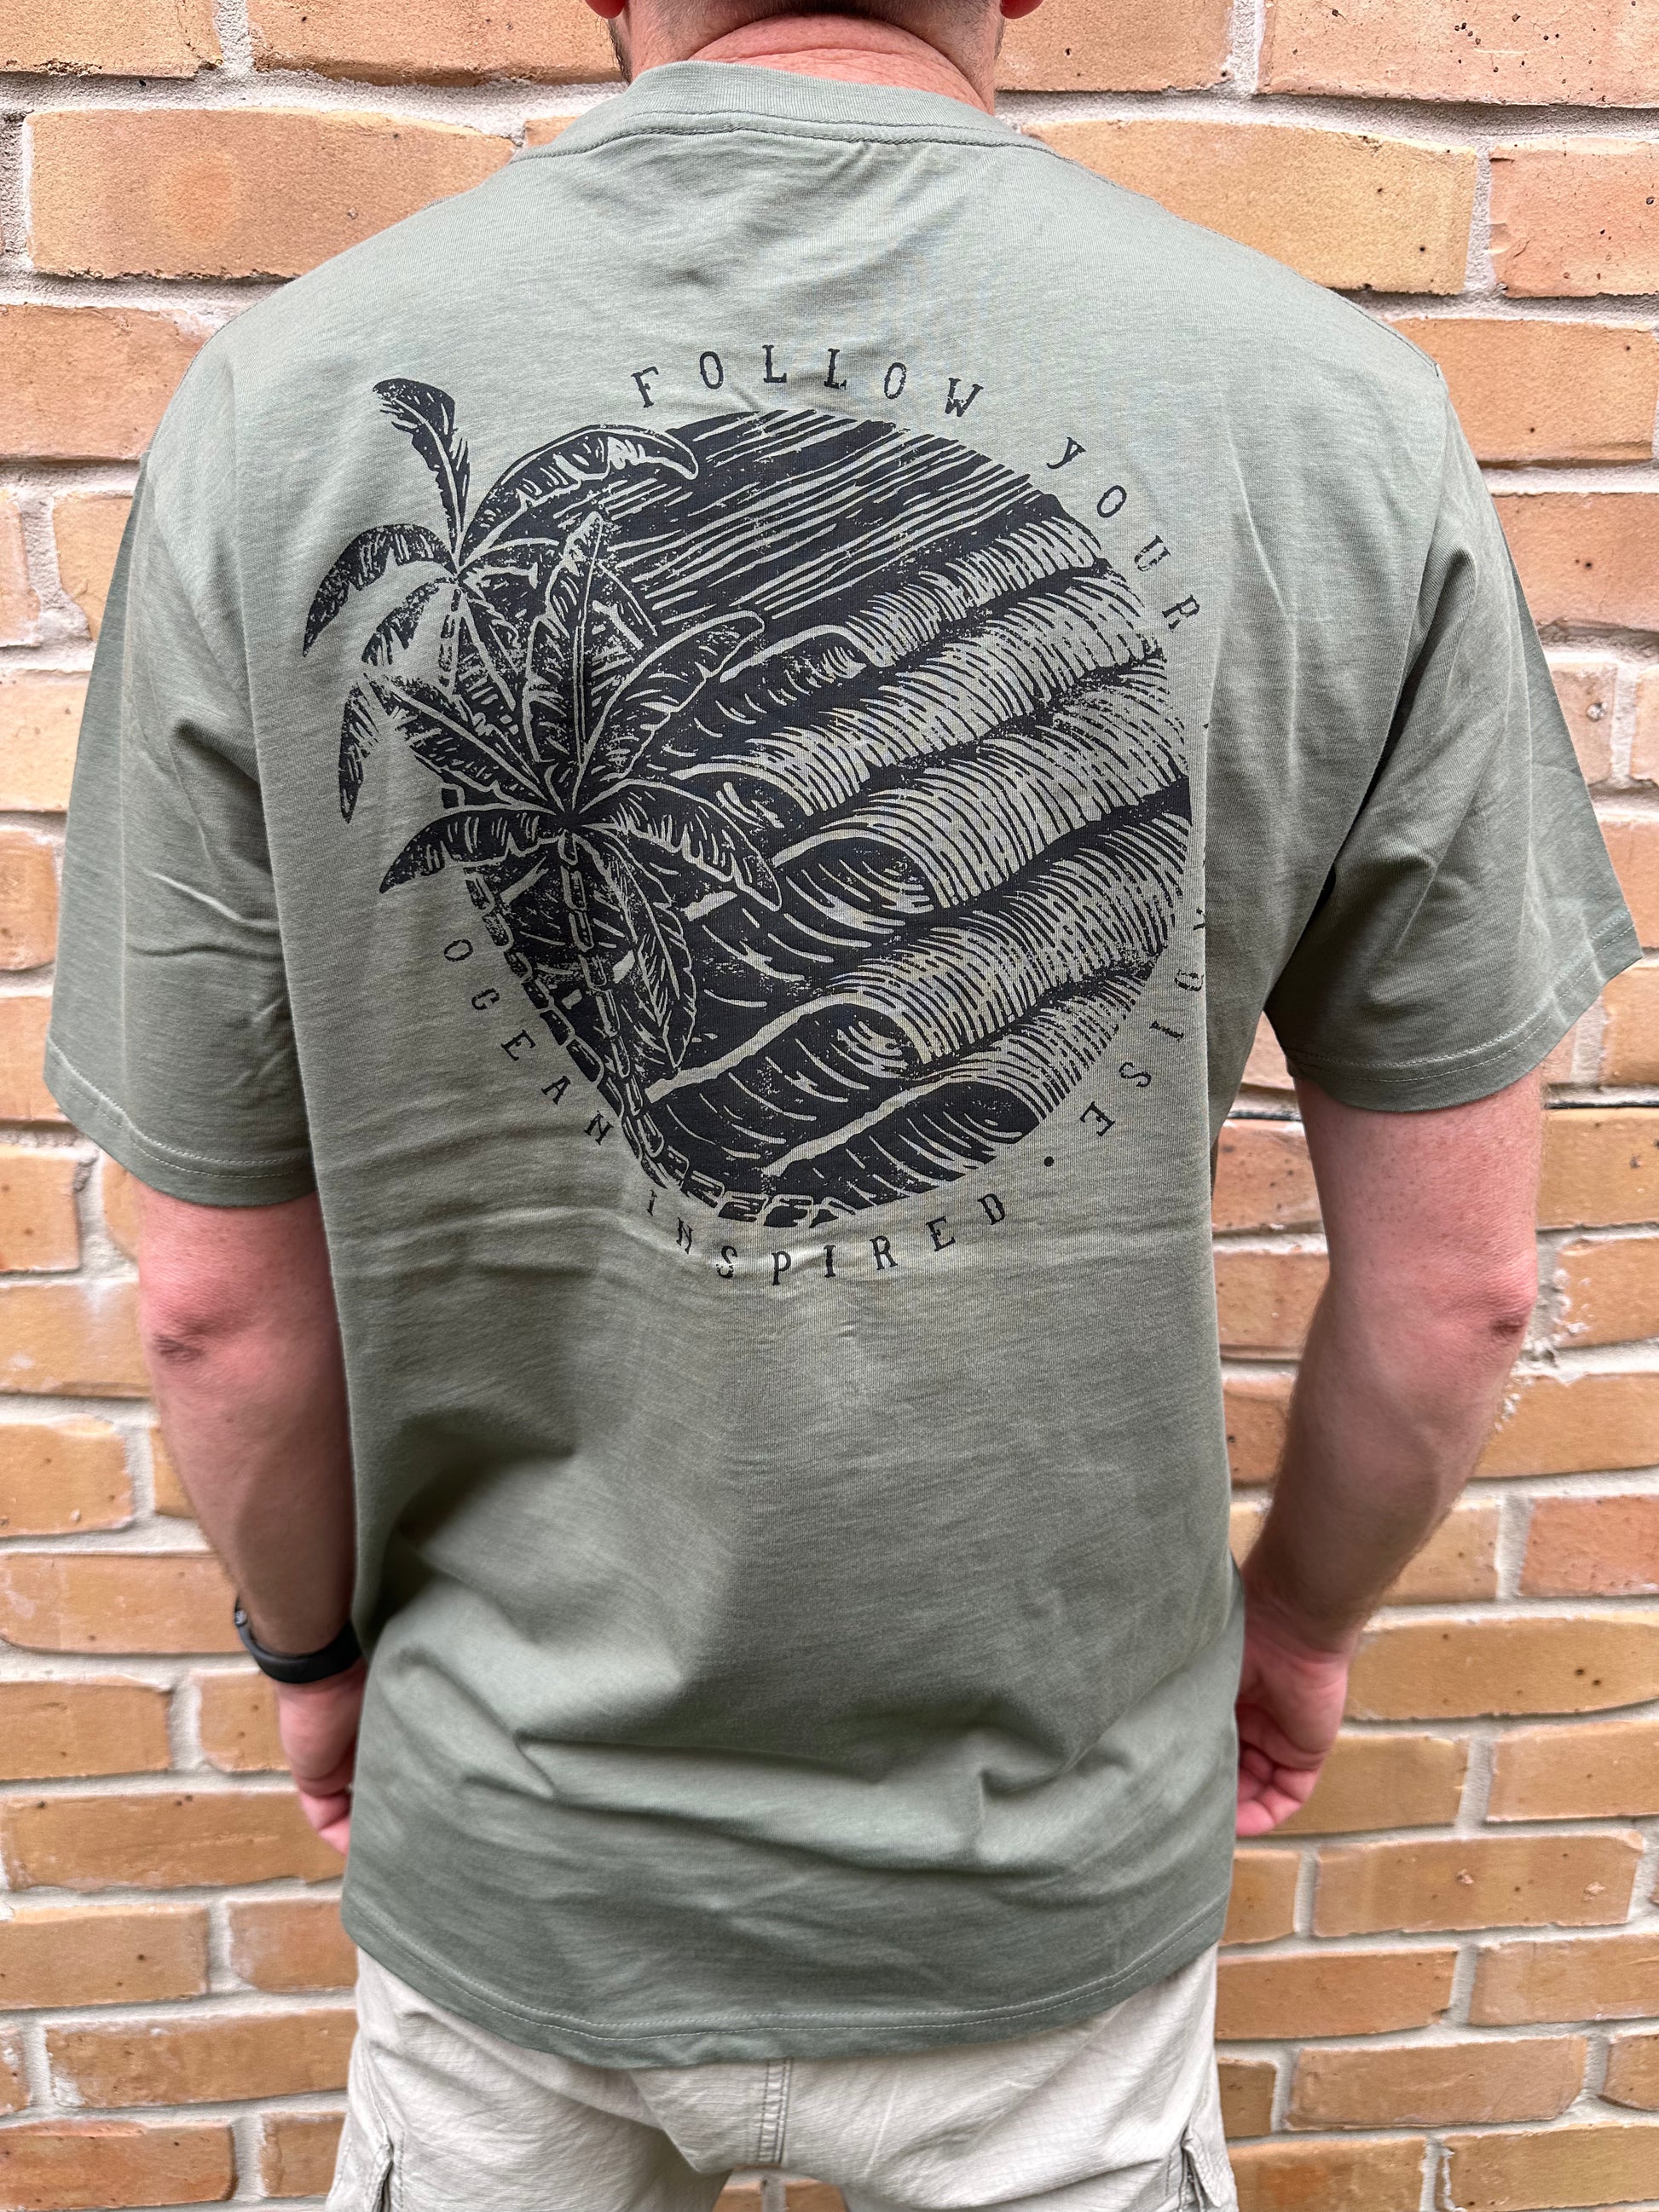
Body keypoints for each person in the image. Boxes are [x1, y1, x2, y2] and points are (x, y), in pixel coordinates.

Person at [46, 2, 1637, 2206]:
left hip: (518, 1861)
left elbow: (214, 1302)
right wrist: (1293, 1627)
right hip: (1047, 1892)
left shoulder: (279, 404)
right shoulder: (1336, 417)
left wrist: (313, 1659)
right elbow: (1459, 1295)